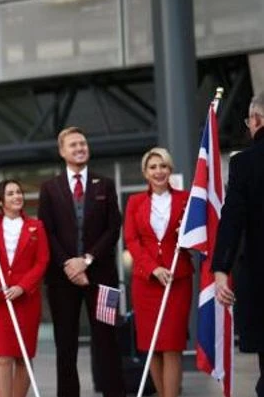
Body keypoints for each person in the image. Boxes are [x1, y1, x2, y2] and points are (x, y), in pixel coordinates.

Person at [37, 126, 125, 397]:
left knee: (108, 340)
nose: (79, 148)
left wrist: (86, 260)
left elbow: (114, 228)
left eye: (83, 144)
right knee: (66, 345)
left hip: (103, 277)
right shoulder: (49, 188)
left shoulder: (106, 185)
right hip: (61, 280)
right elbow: (46, 231)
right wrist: (69, 265)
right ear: (62, 152)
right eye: (73, 145)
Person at [123, 147, 191, 397]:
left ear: (170, 169)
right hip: (146, 282)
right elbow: (131, 239)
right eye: (153, 167)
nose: (158, 171)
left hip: (177, 279)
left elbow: (198, 238)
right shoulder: (135, 202)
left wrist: (187, 234)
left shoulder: (186, 199)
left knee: (172, 346)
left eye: (163, 166)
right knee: (153, 347)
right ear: (145, 172)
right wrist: (153, 268)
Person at [212, 92, 264, 397]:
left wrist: (221, 268)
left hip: (260, 280)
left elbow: (232, 219)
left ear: (256, 121)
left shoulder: (244, 163)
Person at [0, 179, 49, 397]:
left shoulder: (36, 226)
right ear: (0, 201)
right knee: (2, 357)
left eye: (19, 192)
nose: (17, 196)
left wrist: (23, 286)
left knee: (23, 357)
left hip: (26, 299)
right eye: (10, 194)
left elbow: (42, 261)